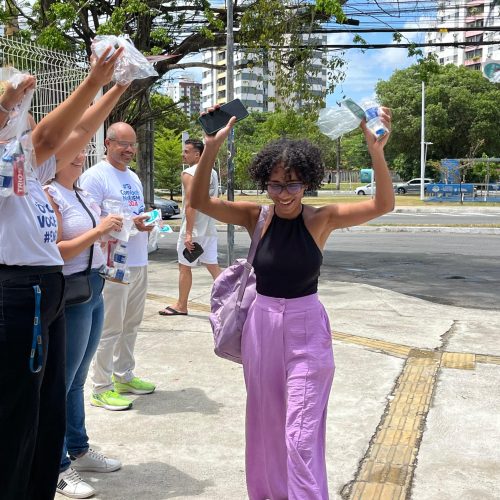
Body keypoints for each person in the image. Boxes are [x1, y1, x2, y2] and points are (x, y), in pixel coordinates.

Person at [189, 108, 394, 499]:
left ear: (308, 182)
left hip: (307, 329)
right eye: (275, 184)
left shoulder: (322, 219)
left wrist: (376, 152)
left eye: (293, 184)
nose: (284, 194)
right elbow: (199, 199)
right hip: (261, 327)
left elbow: (383, 205)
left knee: (300, 434)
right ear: (265, 182)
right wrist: (211, 149)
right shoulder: (257, 217)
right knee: (265, 423)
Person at [0, 48, 123, 500]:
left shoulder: (28, 172)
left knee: (46, 407)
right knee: (16, 411)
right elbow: (51, 136)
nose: (27, 124)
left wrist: (117, 87)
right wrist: (93, 78)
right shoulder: (5, 164)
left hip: (45, 290)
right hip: (18, 292)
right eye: (19, 117)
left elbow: (82, 130)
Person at [44, 82, 130, 498]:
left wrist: (117, 231)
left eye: (83, 149)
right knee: (61, 381)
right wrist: (98, 231)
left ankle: (77, 448)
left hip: (94, 286)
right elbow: (55, 251)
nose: (82, 154)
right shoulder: (49, 195)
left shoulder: (78, 192)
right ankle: (58, 463)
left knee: (77, 378)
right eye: (74, 149)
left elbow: (97, 237)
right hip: (71, 290)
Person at [80, 122, 155, 411]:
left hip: (138, 261)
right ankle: (101, 387)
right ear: (107, 144)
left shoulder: (133, 178)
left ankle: (124, 376)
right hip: (112, 264)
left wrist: (145, 221)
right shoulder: (94, 177)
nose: (129, 150)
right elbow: (89, 223)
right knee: (109, 327)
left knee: (131, 324)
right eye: (122, 144)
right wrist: (128, 224)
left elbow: (133, 216)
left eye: (133, 144)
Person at [159, 139, 221, 316]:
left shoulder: (189, 173)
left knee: (184, 267)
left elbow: (190, 204)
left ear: (198, 154)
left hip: (193, 230)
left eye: (187, 151)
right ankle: (233, 301)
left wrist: (188, 233)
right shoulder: (213, 172)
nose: (183, 155)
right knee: (213, 267)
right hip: (209, 227)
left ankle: (181, 305)